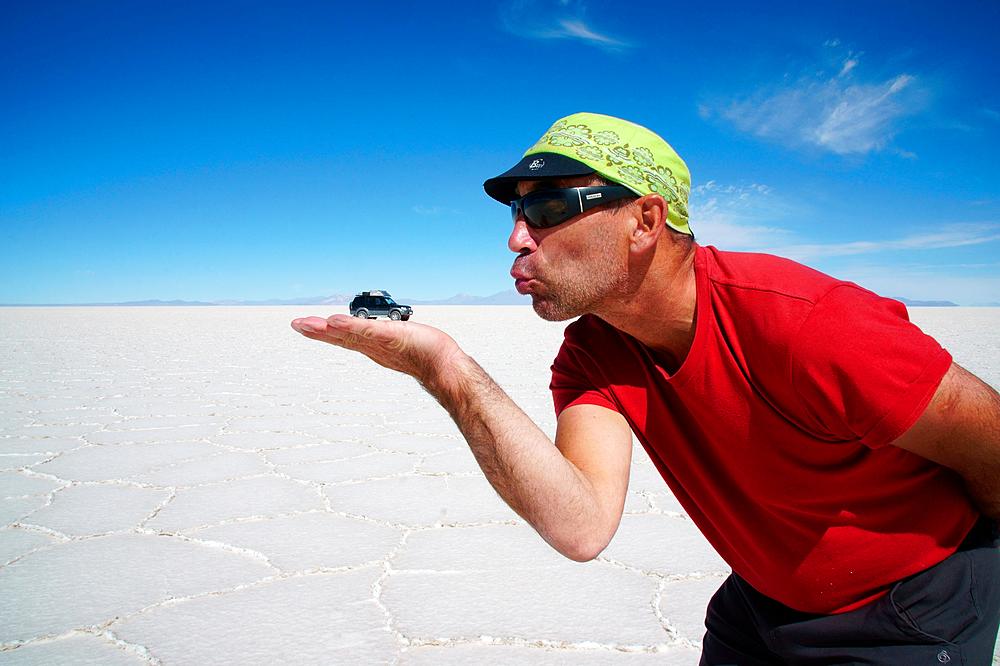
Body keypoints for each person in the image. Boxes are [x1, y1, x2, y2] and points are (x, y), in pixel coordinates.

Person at [292, 112, 1000, 664]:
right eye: (513, 214)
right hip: (762, 603)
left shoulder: (808, 326)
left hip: (905, 613)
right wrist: (445, 368)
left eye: (545, 210)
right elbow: (580, 523)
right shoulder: (592, 353)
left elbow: (989, 443)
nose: (515, 239)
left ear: (645, 220)